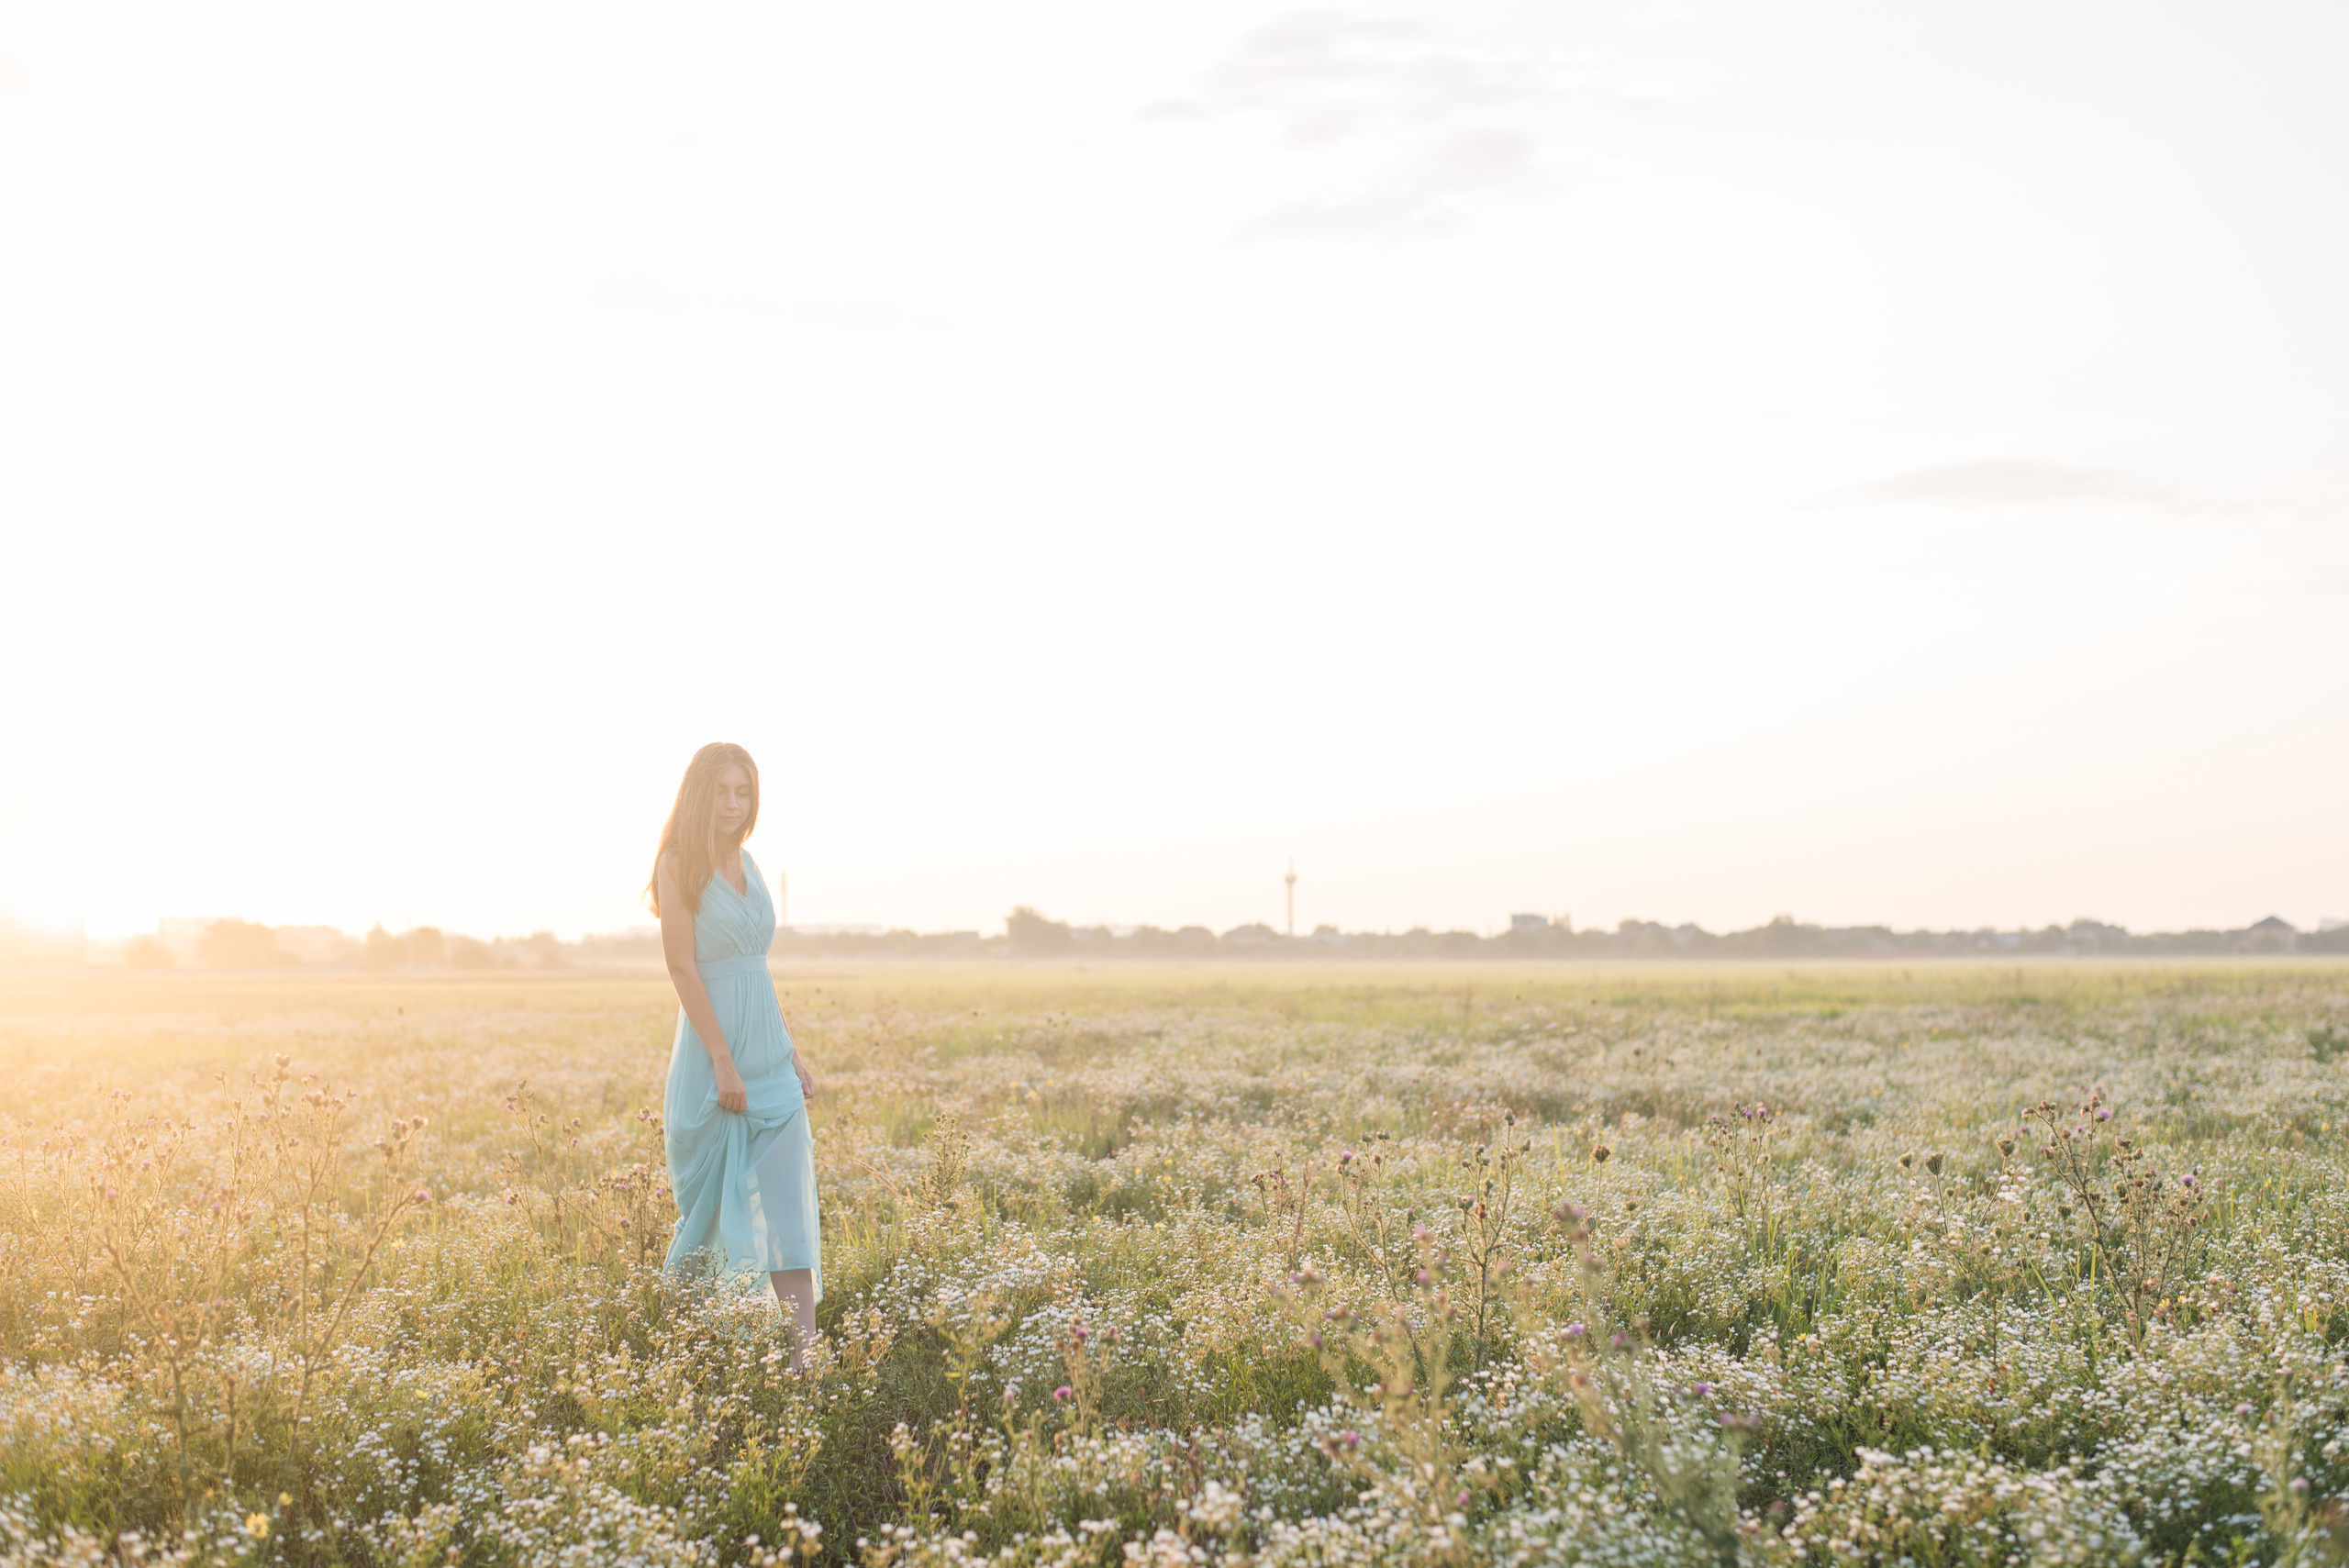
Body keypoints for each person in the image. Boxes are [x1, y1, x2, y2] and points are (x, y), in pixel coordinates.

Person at [651, 741, 820, 1362]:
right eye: (721, 790)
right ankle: (682, 1350)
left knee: (788, 1212)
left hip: (772, 1062)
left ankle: (805, 1360)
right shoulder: (676, 864)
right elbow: (680, 965)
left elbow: (758, 971)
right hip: (713, 1064)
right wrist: (723, 1058)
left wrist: (792, 1051)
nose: (732, 802)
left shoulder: (748, 860)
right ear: (701, 794)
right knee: (707, 1215)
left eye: (742, 791)